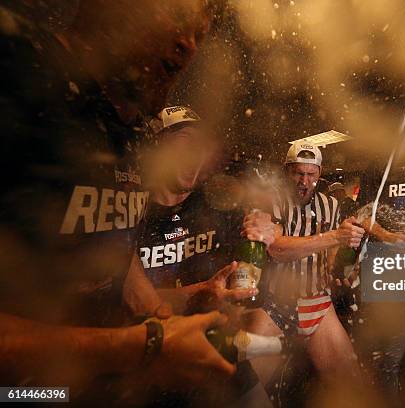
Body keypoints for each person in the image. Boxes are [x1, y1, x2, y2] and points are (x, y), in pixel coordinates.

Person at [0, 0, 246, 398]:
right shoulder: (17, 67)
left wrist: (184, 303)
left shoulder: (129, 132)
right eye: (179, 19)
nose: (190, 46)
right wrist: (144, 346)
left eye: (200, 35)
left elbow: (113, 280)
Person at [137, 104, 275, 406]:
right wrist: (199, 292)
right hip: (151, 358)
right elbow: (127, 299)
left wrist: (263, 234)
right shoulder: (133, 212)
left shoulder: (215, 206)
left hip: (216, 347)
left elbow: (247, 273)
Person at [243, 143, 365, 388]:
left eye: (311, 175)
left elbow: (330, 255)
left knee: (350, 385)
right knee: (247, 388)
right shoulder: (271, 201)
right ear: (287, 171)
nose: (304, 181)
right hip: (275, 305)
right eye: (299, 173)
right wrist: (335, 237)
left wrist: (345, 264)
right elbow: (275, 248)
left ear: (319, 174)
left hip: (318, 303)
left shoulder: (330, 205)